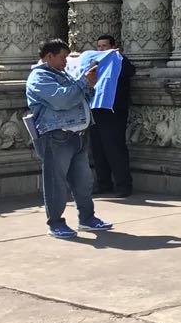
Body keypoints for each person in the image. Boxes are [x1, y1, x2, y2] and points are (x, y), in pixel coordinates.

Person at [26, 39, 112, 239]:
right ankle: (55, 223)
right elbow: (61, 100)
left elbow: (80, 97)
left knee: (83, 181)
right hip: (57, 136)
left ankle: (87, 218)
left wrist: (89, 84)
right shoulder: (39, 77)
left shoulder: (61, 74)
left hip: (77, 135)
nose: (66, 61)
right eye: (63, 57)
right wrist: (83, 82)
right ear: (49, 56)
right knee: (56, 182)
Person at [90, 34, 137, 198]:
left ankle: (123, 185)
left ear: (113, 47)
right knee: (98, 147)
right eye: (99, 46)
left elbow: (130, 71)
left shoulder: (119, 60)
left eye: (105, 46)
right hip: (97, 109)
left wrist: (118, 57)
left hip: (114, 110)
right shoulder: (95, 63)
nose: (102, 49)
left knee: (114, 147)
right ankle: (103, 183)